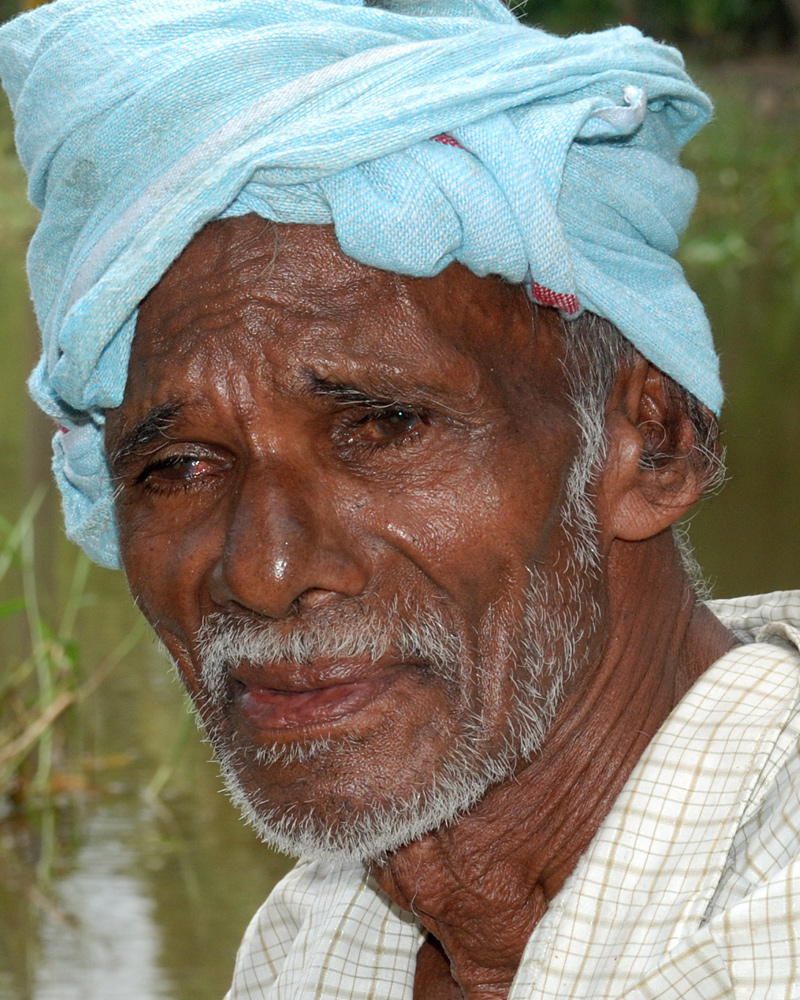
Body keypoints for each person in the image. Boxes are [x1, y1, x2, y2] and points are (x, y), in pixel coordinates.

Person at [1, 1, 799, 997]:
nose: (265, 570)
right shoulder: (312, 946)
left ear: (653, 443)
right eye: (178, 468)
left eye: (380, 428)